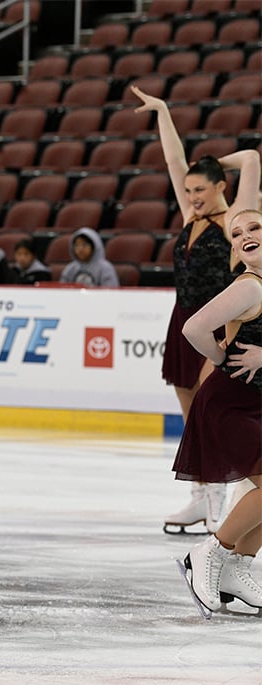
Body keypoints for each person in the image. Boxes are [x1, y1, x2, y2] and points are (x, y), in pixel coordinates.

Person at [132, 85, 259, 534]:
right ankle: (201, 495)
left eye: (201, 188)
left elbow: (252, 161)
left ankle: (222, 498)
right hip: (182, 318)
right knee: (192, 415)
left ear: (221, 187)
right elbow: (172, 161)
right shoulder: (190, 217)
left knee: (214, 413)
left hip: (219, 327)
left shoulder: (236, 223)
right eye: (189, 190)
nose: (193, 196)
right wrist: (163, 113)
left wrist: (223, 161)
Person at [177, 207, 262, 615]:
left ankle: (236, 568)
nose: (245, 235)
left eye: (255, 227)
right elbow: (193, 328)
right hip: (231, 404)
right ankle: (210, 553)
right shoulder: (250, 286)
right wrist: (223, 358)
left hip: (253, 404)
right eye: (236, 233)